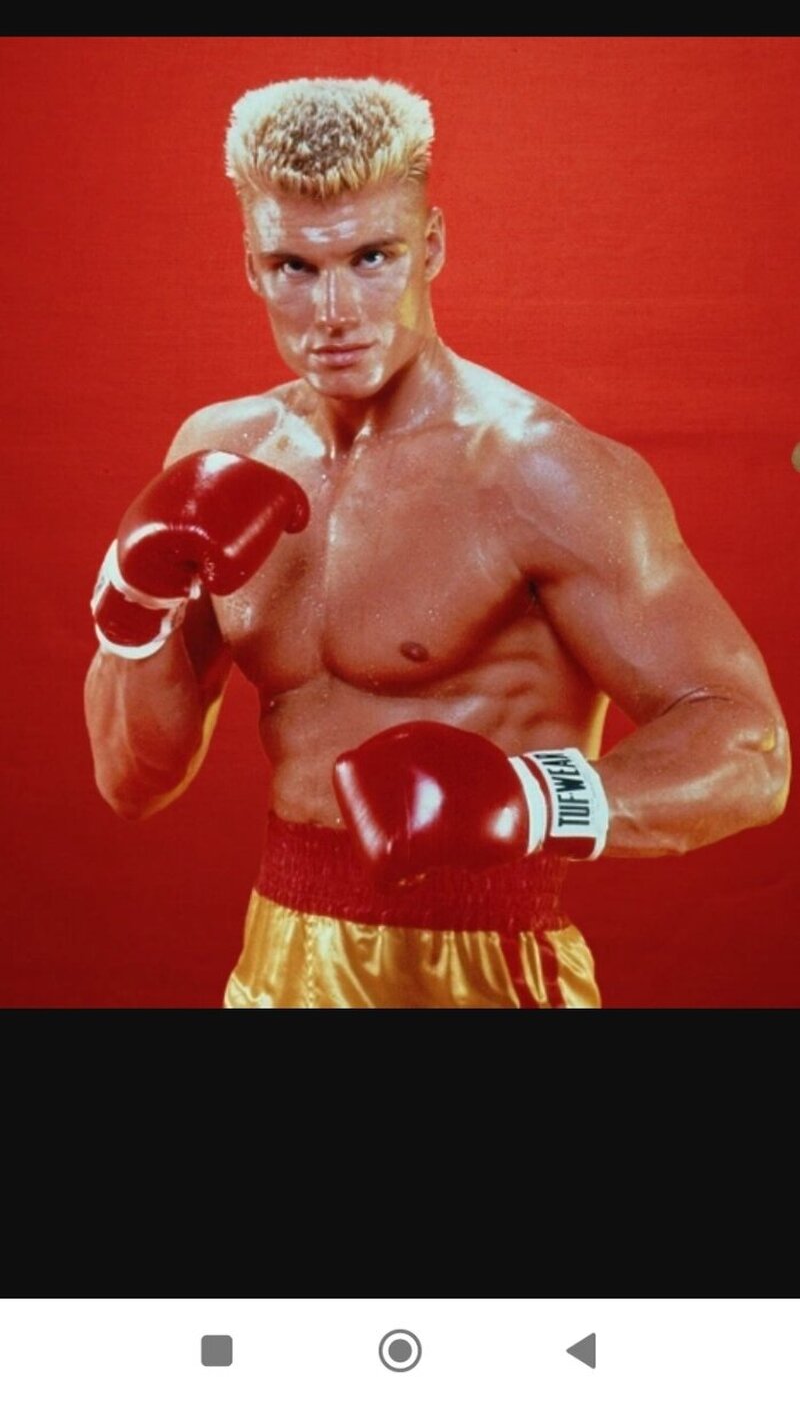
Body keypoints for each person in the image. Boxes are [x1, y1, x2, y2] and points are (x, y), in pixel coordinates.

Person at [83, 76, 791, 1008]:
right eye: (295, 266)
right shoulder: (218, 452)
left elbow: (751, 750)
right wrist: (132, 610)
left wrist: (533, 801)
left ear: (434, 245)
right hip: (274, 970)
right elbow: (133, 782)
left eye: (372, 256)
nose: (335, 311)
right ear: (251, 266)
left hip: (485, 973)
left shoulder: (540, 473)